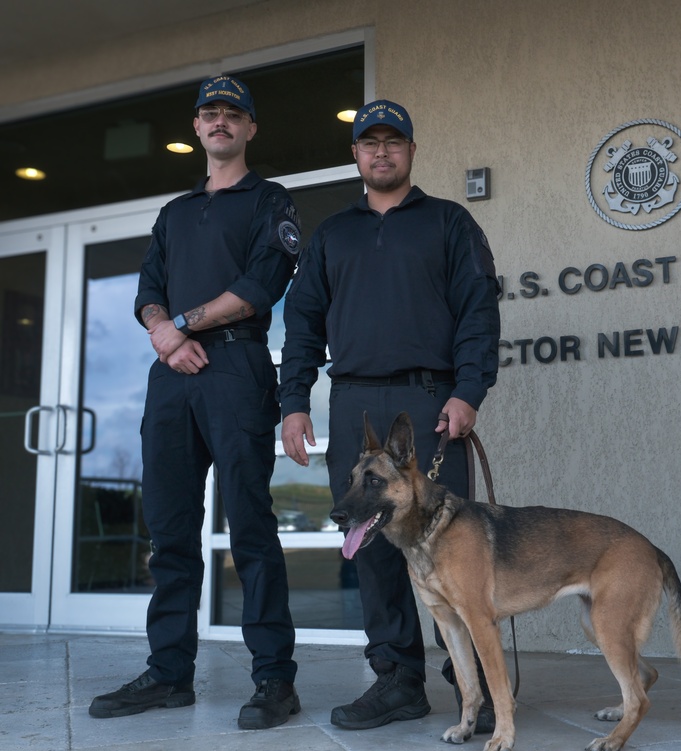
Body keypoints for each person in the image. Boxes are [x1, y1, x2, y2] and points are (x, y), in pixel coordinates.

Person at [278, 99, 501, 732]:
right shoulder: (332, 236)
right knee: (369, 540)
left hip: (431, 402)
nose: (381, 151)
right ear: (354, 154)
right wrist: (294, 401)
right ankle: (397, 681)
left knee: (452, 543)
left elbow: (479, 313)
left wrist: (468, 392)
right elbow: (301, 324)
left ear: (410, 150)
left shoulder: (449, 224)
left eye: (393, 141)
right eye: (368, 142)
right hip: (351, 402)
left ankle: (473, 685)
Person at [89, 75, 302, 730]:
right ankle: (168, 671)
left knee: (250, 524)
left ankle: (273, 677)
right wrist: (163, 332)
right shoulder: (174, 213)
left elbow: (261, 284)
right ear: (197, 128)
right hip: (170, 378)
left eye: (232, 114)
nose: (219, 122)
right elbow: (147, 288)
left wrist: (182, 324)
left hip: (235, 366)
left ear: (250, 128)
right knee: (172, 530)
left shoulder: (270, 200)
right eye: (209, 113)